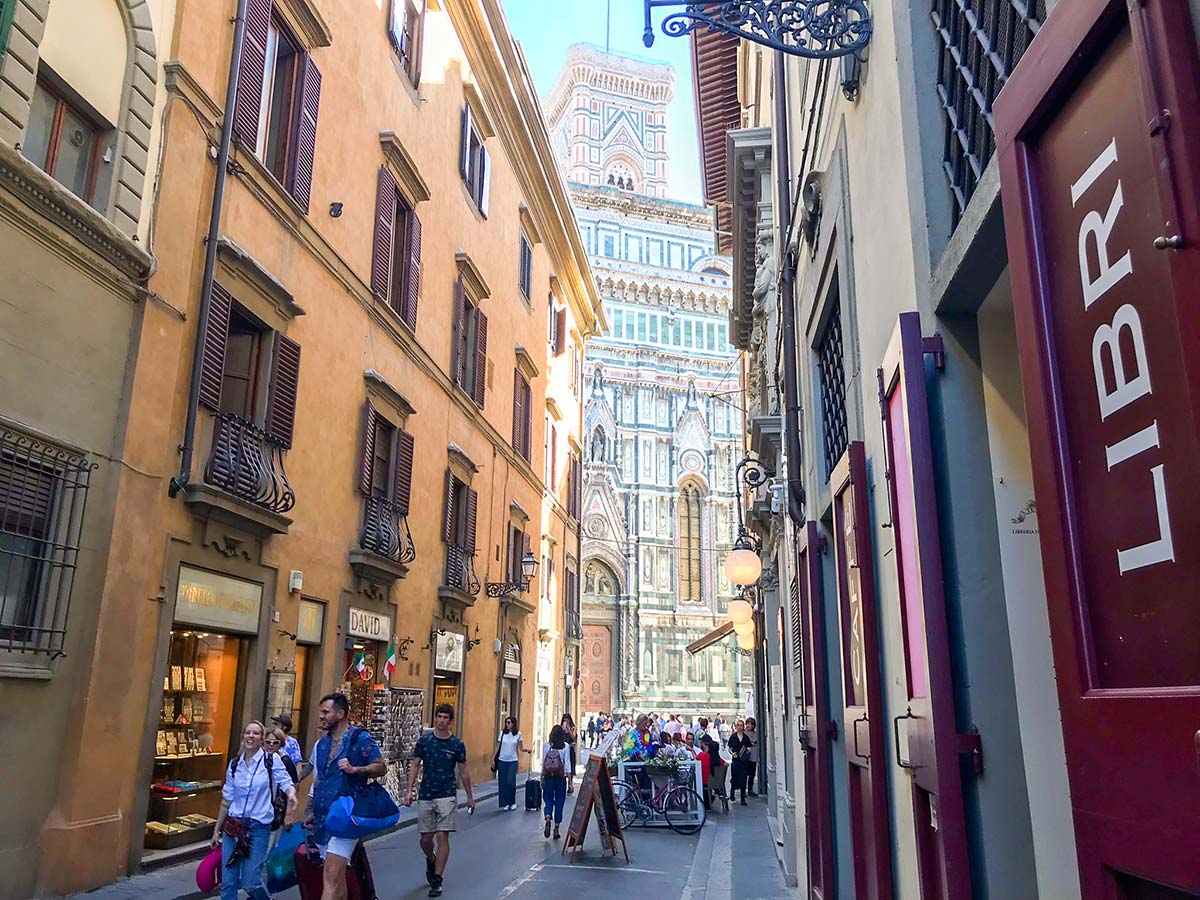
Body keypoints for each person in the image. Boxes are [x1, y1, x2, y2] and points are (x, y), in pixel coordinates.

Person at [305, 693, 387, 900]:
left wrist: (356, 769)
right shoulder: (321, 744)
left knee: (331, 872)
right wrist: (311, 810)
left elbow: (381, 767)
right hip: (323, 818)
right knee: (336, 877)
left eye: (326, 712)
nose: (321, 716)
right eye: (320, 712)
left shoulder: (360, 739)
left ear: (340, 714)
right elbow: (319, 779)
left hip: (346, 816)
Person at [212, 720, 297, 900]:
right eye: (248, 732)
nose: (251, 736)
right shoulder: (235, 765)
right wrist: (216, 830)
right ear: (243, 737)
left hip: (258, 827)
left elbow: (285, 780)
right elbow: (227, 799)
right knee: (228, 882)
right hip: (234, 826)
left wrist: (291, 794)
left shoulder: (270, 760)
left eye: (256, 733)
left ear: (261, 739)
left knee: (250, 881)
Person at [404, 703, 476, 898]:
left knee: (442, 836)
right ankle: (431, 858)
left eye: (446, 718)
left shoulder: (457, 744)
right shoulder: (424, 742)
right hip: (426, 794)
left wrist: (469, 796)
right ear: (435, 718)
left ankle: (437, 879)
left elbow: (463, 770)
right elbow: (415, 765)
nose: (442, 720)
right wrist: (409, 791)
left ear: (450, 721)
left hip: (447, 795)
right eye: (439, 717)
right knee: (425, 839)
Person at [540, 725, 571, 840]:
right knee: (559, 802)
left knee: (548, 799)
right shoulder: (566, 747)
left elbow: (544, 763)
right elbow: (567, 763)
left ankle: (548, 817)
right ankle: (556, 828)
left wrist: (541, 777)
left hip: (548, 777)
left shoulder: (546, 746)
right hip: (560, 778)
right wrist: (570, 781)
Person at [490, 717, 528, 811]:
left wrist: (526, 750)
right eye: (506, 722)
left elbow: (520, 747)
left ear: (513, 724)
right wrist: (493, 759)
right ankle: (505, 803)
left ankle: (512, 802)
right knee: (503, 783)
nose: (507, 724)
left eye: (509, 722)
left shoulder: (518, 734)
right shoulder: (502, 733)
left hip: (513, 761)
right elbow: (498, 746)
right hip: (502, 760)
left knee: (510, 782)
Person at [729, 717, 752, 805]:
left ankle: (743, 798)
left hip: (743, 762)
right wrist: (732, 753)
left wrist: (747, 752)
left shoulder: (746, 737)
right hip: (735, 761)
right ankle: (732, 793)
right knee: (734, 777)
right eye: (738, 725)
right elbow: (730, 748)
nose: (740, 727)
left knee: (743, 779)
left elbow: (749, 747)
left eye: (741, 726)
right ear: (736, 726)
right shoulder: (733, 737)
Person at [560, 714, 578, 793]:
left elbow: (574, 738)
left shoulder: (573, 728)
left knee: (570, 767)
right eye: (564, 720)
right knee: (563, 767)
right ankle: (563, 785)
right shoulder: (561, 728)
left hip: (570, 749)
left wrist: (568, 730)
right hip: (563, 750)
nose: (566, 722)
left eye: (567, 720)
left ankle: (570, 784)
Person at [744, 717, 760, 797]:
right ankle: (743, 790)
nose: (749, 725)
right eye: (748, 724)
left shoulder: (755, 734)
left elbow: (754, 742)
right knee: (744, 774)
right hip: (745, 757)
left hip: (753, 756)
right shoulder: (743, 733)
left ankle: (750, 789)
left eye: (751, 724)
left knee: (751, 774)